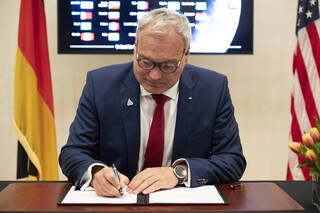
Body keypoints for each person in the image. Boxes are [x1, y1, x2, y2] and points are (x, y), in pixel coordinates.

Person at [59, 8, 246, 197]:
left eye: (167, 66)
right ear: (135, 48)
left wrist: (179, 173)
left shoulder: (212, 89)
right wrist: (95, 173)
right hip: (119, 201)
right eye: (145, 62)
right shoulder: (100, 85)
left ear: (186, 55)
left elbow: (232, 161)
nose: (154, 75)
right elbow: (73, 153)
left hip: (183, 202)